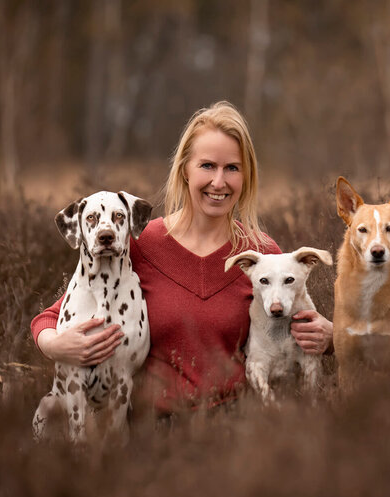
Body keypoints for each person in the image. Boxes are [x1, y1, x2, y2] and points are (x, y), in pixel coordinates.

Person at [30, 101, 333, 415]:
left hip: (234, 431)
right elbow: (54, 314)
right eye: (207, 166)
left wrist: (331, 338)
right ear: (185, 170)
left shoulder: (261, 253)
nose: (219, 182)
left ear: (246, 176)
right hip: (151, 433)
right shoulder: (140, 243)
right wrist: (54, 345)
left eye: (232, 168)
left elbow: (300, 326)